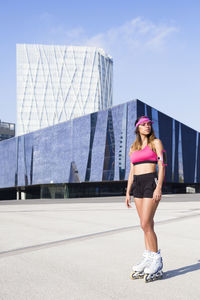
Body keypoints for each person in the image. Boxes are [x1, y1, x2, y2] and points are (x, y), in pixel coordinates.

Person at [125, 115, 166, 282]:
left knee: (145, 223)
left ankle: (156, 259)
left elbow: (162, 166)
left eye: (149, 124)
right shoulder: (133, 148)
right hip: (137, 185)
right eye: (144, 124)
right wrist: (128, 192)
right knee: (145, 224)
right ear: (138, 128)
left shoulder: (156, 143)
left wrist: (159, 187)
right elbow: (131, 171)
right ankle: (148, 256)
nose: (147, 126)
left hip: (150, 182)